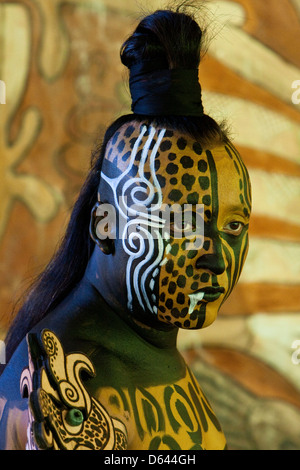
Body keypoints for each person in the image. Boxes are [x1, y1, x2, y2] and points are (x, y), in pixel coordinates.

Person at [0, 5, 251, 450]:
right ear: (105, 226)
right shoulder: (70, 382)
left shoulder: (145, 344)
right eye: (181, 225)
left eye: (233, 226)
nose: (214, 257)